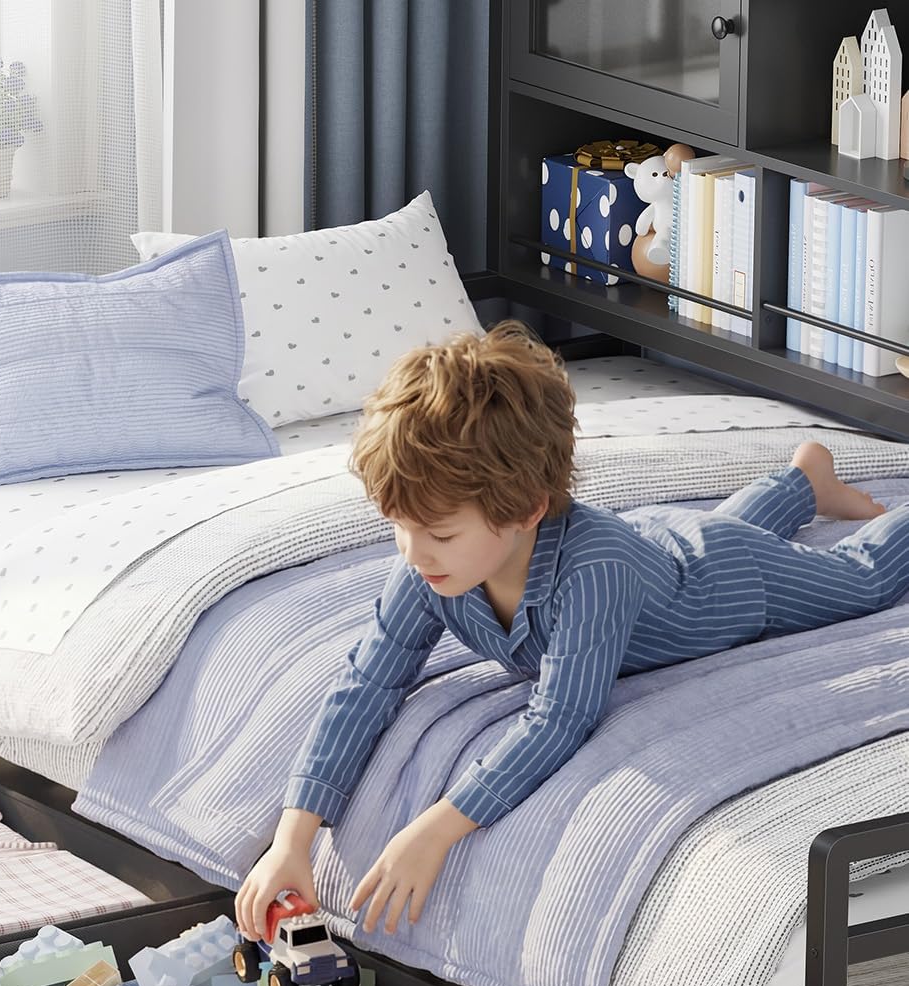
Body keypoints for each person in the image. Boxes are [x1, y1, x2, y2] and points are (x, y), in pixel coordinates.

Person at [235, 320, 908, 943]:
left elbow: (559, 718)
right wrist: (293, 840)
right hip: (656, 551)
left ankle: (806, 484)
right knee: (702, 535)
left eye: (438, 533)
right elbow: (368, 682)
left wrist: (436, 829)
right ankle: (803, 480)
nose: (412, 553)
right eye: (399, 526)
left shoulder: (595, 574)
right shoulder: (431, 566)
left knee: (864, 578)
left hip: (722, 586)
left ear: (526, 511)